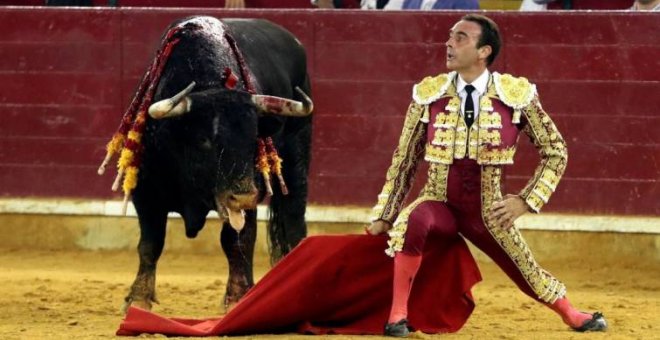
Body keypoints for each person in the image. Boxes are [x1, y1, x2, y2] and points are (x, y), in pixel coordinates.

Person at [367, 14, 607, 337]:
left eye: (461, 37)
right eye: (450, 36)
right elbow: (404, 160)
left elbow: (556, 150)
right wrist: (385, 213)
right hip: (438, 199)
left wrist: (525, 201)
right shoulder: (429, 94)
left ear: (484, 51)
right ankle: (397, 316)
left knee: (524, 267)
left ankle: (570, 313)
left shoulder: (516, 95)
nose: (449, 43)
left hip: (488, 208)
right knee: (412, 222)